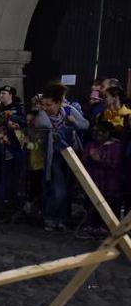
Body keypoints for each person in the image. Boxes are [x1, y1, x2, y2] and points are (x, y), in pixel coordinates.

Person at [36, 83, 89, 231]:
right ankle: (51, 217)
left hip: (71, 154)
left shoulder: (69, 110)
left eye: (49, 104)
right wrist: (41, 111)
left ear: (59, 103)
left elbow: (85, 125)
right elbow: (43, 124)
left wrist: (75, 122)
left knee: (68, 187)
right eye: (43, 104)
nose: (46, 108)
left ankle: (63, 218)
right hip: (53, 156)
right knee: (59, 188)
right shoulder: (42, 114)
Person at [78, 121, 123, 239]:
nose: (99, 136)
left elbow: (115, 164)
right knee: (92, 205)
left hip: (109, 183)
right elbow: (83, 161)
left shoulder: (116, 146)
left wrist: (99, 159)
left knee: (109, 205)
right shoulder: (91, 145)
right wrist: (89, 157)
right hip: (94, 180)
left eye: (101, 133)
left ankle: (106, 228)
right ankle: (92, 226)